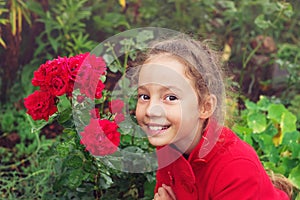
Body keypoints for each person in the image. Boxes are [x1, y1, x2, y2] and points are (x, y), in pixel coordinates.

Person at [134, 35, 293, 200]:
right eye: (144, 96)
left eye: (171, 97)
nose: (152, 110)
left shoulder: (235, 167)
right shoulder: (169, 144)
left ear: (205, 107)